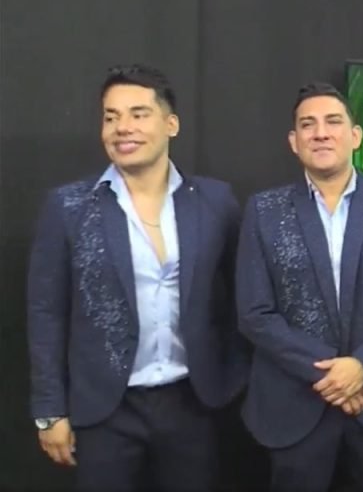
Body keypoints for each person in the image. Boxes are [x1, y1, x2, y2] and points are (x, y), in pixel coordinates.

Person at [27, 63, 248, 491]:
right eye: (111, 117)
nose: (122, 128)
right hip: (105, 408)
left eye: (138, 114)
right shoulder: (68, 206)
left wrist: (234, 377)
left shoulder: (215, 201)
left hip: (193, 402)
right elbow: (45, 313)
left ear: (171, 124)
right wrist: (49, 411)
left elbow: (246, 296)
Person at [236, 81, 363, 492]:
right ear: (294, 141)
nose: (321, 133)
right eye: (308, 125)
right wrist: (336, 375)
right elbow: (255, 313)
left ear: (355, 135)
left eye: (333, 122)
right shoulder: (264, 210)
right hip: (295, 406)